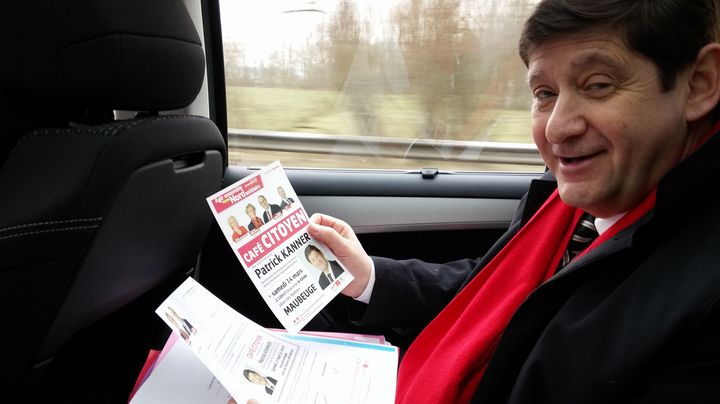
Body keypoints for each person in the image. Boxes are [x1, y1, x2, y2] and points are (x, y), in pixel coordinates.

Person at [307, 1, 720, 402]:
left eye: (597, 85)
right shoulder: (569, 200)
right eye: (545, 93)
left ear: (699, 84)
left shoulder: (704, 302)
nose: (557, 129)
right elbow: (488, 293)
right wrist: (369, 277)